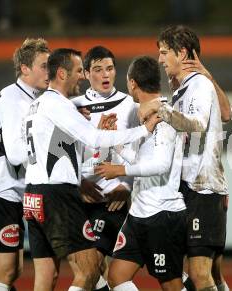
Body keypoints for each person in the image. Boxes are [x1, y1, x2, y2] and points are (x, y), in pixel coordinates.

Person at [22, 48, 161, 291]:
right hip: (61, 195)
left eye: (109, 68)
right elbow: (93, 137)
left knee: (49, 274)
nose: (83, 77)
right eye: (82, 71)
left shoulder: (39, 105)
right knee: (89, 270)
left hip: (37, 193)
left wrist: (125, 184)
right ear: (65, 74)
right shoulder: (64, 105)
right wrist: (144, 129)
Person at [94, 55, 187, 291]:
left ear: (133, 83)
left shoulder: (165, 115)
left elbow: (161, 164)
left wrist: (119, 170)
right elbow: (142, 159)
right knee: (117, 277)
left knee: (172, 285)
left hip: (162, 214)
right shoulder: (146, 115)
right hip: (139, 214)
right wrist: (115, 143)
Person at [0, 38, 50, 291]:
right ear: (25, 69)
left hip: (7, 191)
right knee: (3, 273)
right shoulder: (16, 100)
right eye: (44, 65)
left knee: (12, 271)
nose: (50, 71)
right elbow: (15, 153)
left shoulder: (30, 98)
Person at [155, 25, 229, 291]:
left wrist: (163, 112)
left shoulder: (198, 84)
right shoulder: (185, 88)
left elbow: (197, 124)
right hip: (192, 186)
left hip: (203, 188)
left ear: (182, 52)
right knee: (210, 274)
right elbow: (227, 112)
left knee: (199, 274)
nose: (160, 59)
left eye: (164, 53)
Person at [71, 45, 138, 291]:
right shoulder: (73, 106)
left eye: (109, 68)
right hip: (81, 199)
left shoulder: (129, 104)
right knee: (97, 272)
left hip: (112, 198)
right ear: (86, 73)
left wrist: (126, 185)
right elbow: (61, 153)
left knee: (93, 264)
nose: (105, 75)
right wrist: (78, 182)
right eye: (98, 70)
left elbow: (140, 150)